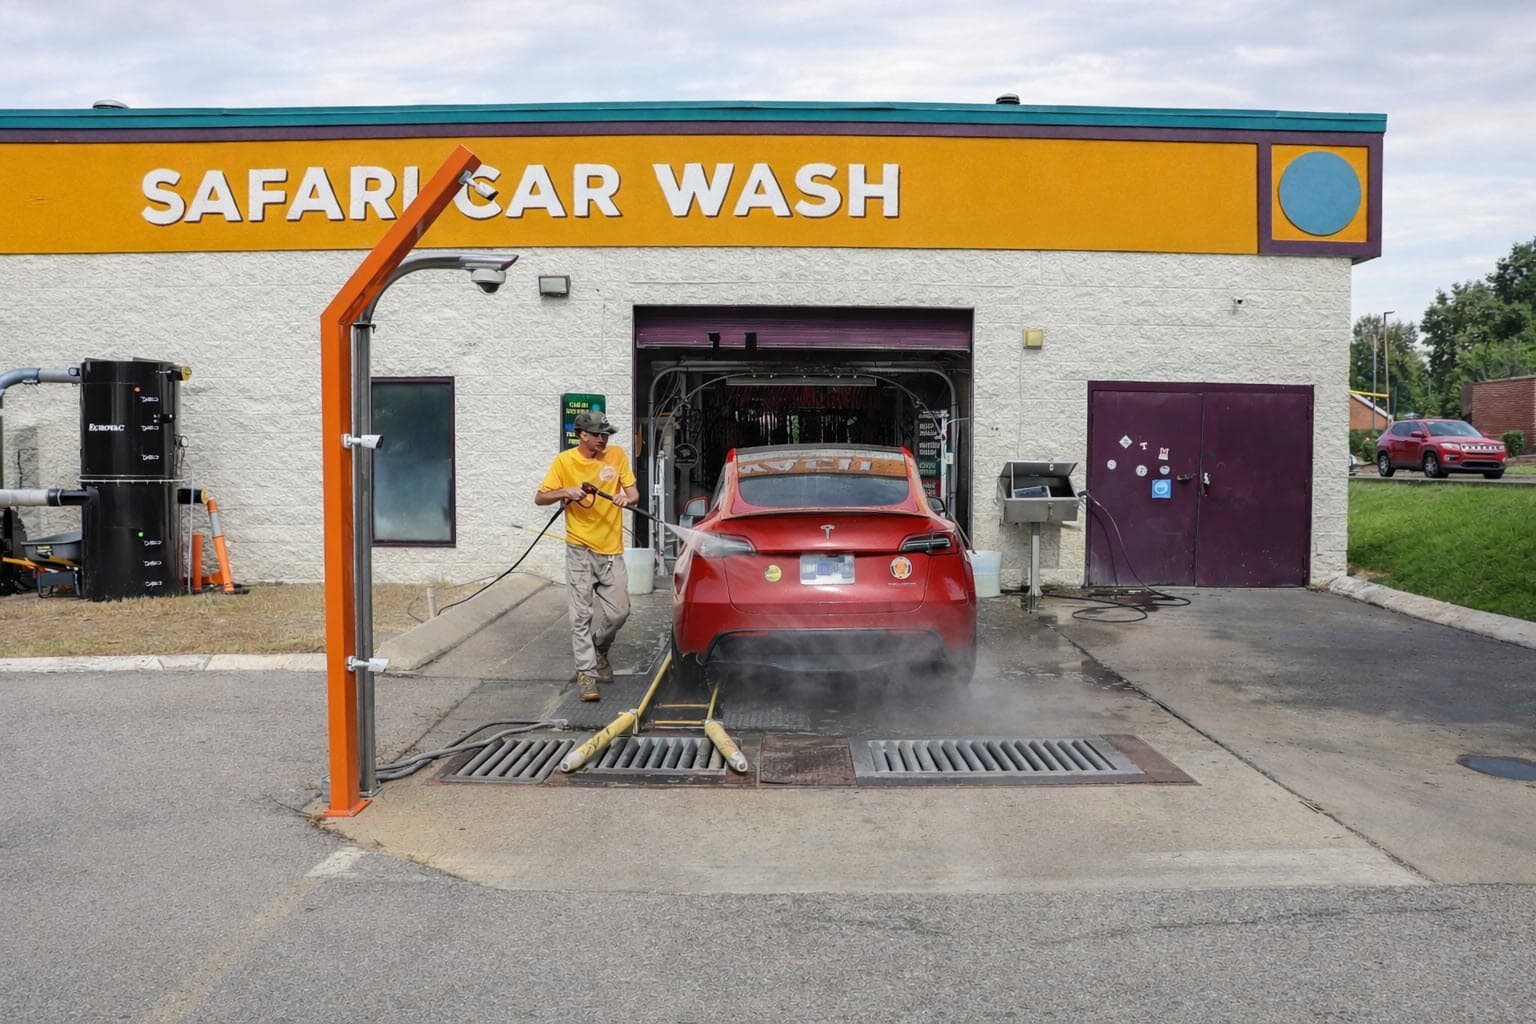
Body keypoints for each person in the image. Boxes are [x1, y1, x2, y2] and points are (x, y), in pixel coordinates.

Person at [535, 410, 640, 702]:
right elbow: (540, 497)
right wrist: (565, 491)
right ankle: (586, 675)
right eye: (598, 435)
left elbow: (634, 494)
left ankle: (600, 648)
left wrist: (625, 498)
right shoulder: (564, 462)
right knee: (581, 615)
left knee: (620, 612)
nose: (603, 439)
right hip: (580, 549)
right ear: (582, 435)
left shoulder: (616, 456)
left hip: (611, 550)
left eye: (606, 434)